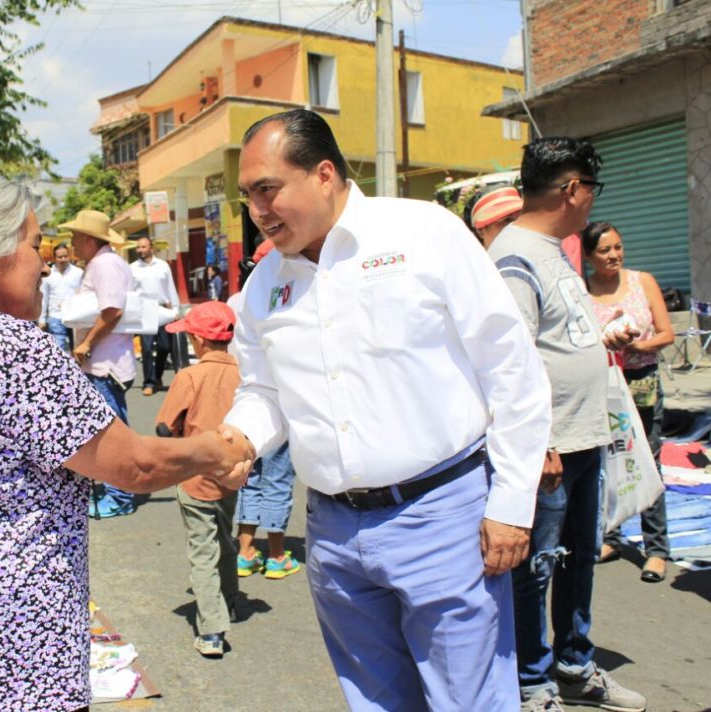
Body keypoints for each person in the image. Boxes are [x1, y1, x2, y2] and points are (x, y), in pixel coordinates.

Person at [0, 179, 253, 712]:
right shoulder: (8, 347)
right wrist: (214, 450)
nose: (45, 263)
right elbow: (133, 466)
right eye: (33, 245)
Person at [222, 109, 552, 711]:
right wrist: (237, 441)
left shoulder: (423, 233)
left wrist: (510, 504)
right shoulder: (264, 283)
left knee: (468, 702)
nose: (257, 211)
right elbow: (265, 391)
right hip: (334, 534)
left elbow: (510, 368)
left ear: (324, 174)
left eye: (267, 190)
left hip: (443, 516)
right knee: (375, 701)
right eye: (247, 196)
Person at [488, 138, 646, 712]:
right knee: (535, 570)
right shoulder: (514, 256)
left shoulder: (554, 249)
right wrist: (543, 442)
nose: (591, 202)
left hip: (586, 436)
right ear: (572, 189)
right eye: (590, 189)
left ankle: (575, 665)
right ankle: (532, 683)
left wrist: (603, 339)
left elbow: (556, 338)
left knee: (580, 560)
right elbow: (509, 361)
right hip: (551, 448)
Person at [583, 221, 674, 584]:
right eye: (605, 250)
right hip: (601, 384)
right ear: (589, 256)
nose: (614, 255)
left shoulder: (642, 282)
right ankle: (610, 537)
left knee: (646, 460)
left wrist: (636, 346)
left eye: (618, 247)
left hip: (641, 382)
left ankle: (656, 550)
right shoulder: (582, 289)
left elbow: (667, 333)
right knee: (605, 461)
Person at [155, 301, 242, 658]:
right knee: (226, 538)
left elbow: (164, 426)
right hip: (233, 474)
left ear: (199, 341)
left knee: (203, 550)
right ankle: (230, 602)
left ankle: (211, 630)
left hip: (195, 476)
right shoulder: (243, 373)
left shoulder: (189, 377)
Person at [60, 209, 140, 518]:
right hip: (106, 363)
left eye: (75, 237)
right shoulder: (105, 262)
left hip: (105, 364)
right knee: (109, 429)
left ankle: (120, 496)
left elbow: (112, 311)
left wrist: (86, 343)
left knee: (110, 433)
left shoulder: (104, 265)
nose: (72, 243)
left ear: (87, 239)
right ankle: (117, 492)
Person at [231, 240, 300, 581]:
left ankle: (245, 551)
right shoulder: (294, 299)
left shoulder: (237, 301)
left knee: (250, 479)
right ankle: (275, 554)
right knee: (277, 481)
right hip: (279, 408)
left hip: (244, 406)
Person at [129, 235, 179, 396]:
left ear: (151, 248)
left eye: (143, 247)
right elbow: (130, 292)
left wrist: (175, 308)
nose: (140, 250)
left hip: (163, 310)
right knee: (147, 348)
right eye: (138, 247)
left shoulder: (163, 266)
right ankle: (148, 382)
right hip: (144, 311)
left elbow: (170, 287)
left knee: (166, 346)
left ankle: (157, 376)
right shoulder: (133, 268)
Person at [38, 242, 82, 351]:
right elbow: (44, 298)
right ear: (54, 258)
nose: (63, 259)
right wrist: (42, 319)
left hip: (74, 317)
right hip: (55, 317)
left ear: (69, 256)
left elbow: (83, 296)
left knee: (76, 349)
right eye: (60, 257)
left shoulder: (78, 273)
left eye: (65, 256)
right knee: (58, 350)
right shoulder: (48, 275)